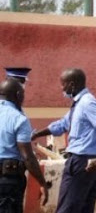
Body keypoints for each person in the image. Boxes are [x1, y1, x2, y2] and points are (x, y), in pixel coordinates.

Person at [31, 68, 96, 213]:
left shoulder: (87, 103)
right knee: (83, 209)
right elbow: (63, 124)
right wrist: (37, 134)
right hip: (87, 162)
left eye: (63, 84)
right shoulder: (79, 104)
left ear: (72, 84)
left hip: (81, 162)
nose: (62, 88)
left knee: (67, 208)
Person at [0, 79, 48, 212]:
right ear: (18, 95)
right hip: (8, 182)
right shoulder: (18, 118)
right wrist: (42, 183)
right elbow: (27, 157)